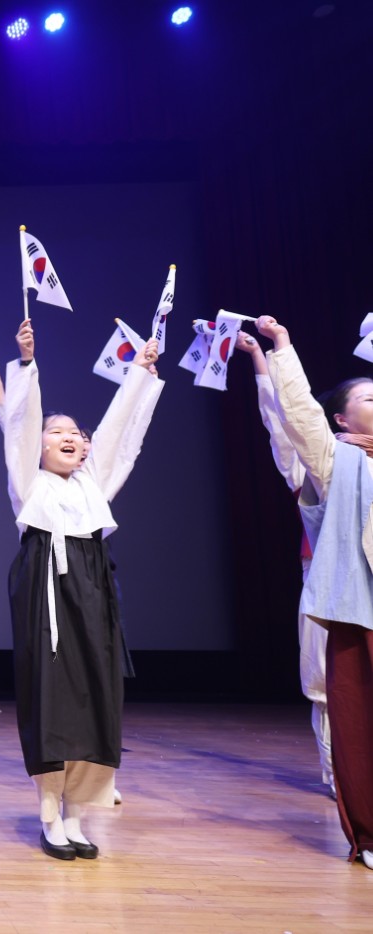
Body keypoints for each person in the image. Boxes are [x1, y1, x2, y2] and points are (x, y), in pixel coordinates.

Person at [0, 318, 161, 861]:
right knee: (53, 701)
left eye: (76, 433)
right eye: (57, 432)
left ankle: (77, 814)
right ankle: (50, 814)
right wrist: (26, 365)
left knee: (97, 697)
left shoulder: (96, 484)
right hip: (45, 586)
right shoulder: (30, 483)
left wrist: (140, 374)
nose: (70, 437)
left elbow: (120, 432)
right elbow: (20, 426)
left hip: (93, 586)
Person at [256, 315, 373, 869]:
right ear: (342, 418)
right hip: (356, 607)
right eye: (369, 398)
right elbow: (296, 417)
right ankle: (365, 826)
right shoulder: (334, 460)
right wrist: (278, 349)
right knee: (350, 714)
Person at [234, 330, 334, 796]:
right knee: (326, 684)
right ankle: (340, 774)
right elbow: (281, 422)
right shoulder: (316, 469)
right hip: (326, 579)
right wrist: (261, 357)